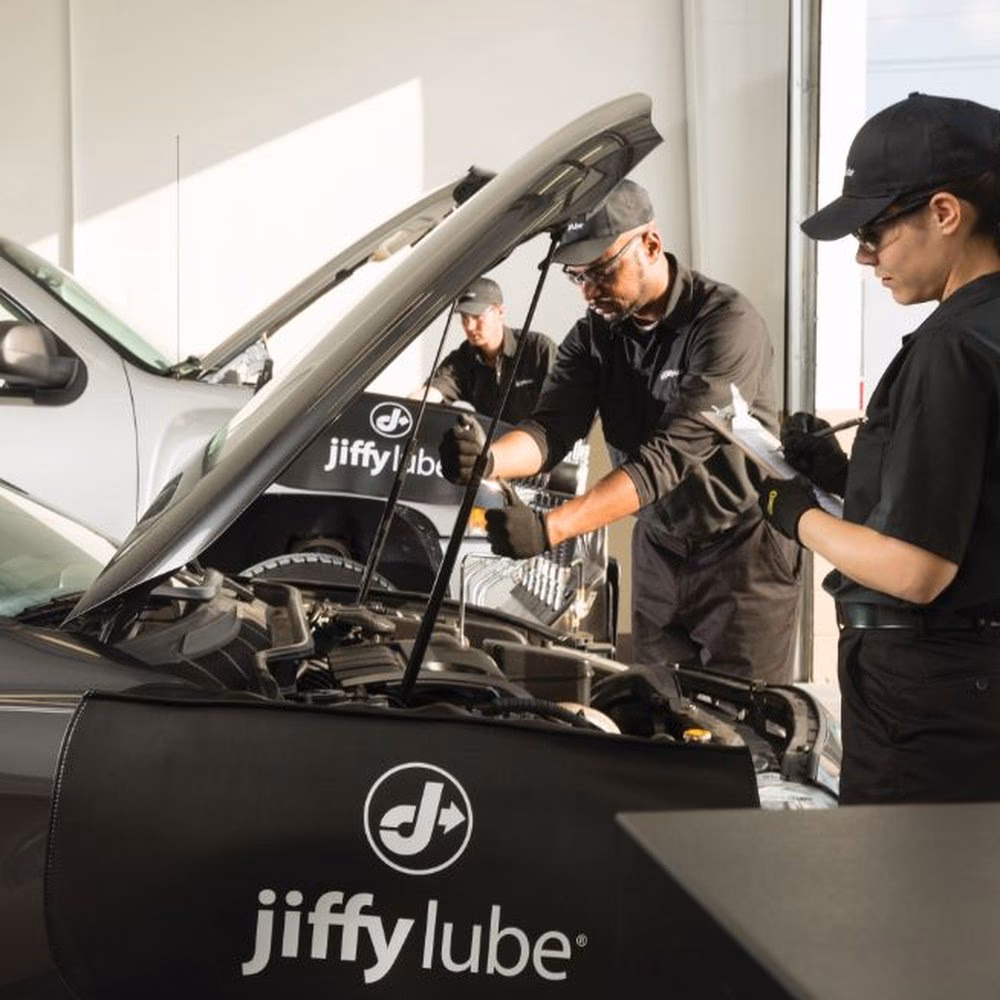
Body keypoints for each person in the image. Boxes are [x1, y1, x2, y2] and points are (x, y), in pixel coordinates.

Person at [440, 180, 801, 683]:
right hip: (659, 549)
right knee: (656, 711)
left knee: (747, 730)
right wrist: (489, 460)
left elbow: (667, 459)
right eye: (576, 277)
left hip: (741, 552)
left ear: (650, 245)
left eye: (602, 271)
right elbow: (550, 428)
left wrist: (552, 528)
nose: (589, 291)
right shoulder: (594, 335)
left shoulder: (725, 325)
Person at [759, 92, 1000, 804]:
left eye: (875, 230)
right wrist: (845, 478)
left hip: (930, 693)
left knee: (904, 905)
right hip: (976, 682)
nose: (865, 257)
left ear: (946, 213)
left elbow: (917, 570)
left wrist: (795, 514)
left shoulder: (950, 347)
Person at [416, 276, 556, 423]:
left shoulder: (539, 350)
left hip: (538, 443)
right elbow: (434, 391)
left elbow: (565, 404)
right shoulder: (463, 359)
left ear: (500, 313)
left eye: (477, 316)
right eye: (464, 317)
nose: (469, 326)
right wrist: (405, 410)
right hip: (491, 444)